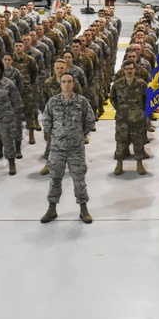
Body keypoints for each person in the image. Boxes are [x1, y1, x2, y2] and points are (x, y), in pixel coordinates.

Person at [40, 73, 96, 224]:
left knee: (79, 179)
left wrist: (79, 134)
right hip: (57, 148)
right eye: (64, 81)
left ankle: (83, 209)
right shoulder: (53, 102)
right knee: (55, 178)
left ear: (73, 84)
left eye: (69, 81)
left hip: (75, 149)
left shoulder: (81, 102)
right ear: (60, 84)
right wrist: (56, 134)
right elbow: (46, 120)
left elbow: (90, 120)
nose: (66, 84)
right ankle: (52, 208)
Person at [110, 61, 148, 176]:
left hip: (137, 119)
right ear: (123, 70)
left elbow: (146, 99)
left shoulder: (141, 84)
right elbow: (112, 98)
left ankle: (139, 163)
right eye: (127, 69)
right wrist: (120, 109)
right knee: (121, 141)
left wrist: (141, 112)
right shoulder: (117, 84)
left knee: (138, 141)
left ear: (135, 70)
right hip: (122, 119)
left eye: (131, 69)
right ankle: (119, 163)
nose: (129, 71)